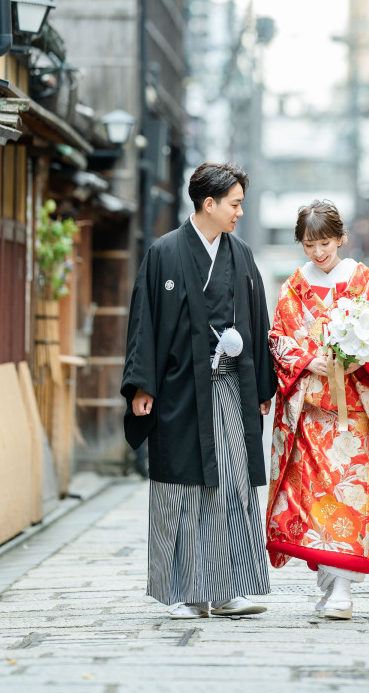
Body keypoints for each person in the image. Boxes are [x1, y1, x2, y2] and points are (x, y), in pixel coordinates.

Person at [121, 161, 276, 619]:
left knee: (232, 483)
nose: (240, 212)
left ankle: (229, 590)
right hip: (179, 390)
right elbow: (144, 321)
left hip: (229, 387)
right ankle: (186, 593)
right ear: (209, 204)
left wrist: (262, 386)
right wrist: (142, 384)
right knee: (184, 486)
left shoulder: (241, 254)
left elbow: (258, 320)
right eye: (235, 204)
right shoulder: (165, 252)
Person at [266, 200, 369, 620]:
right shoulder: (293, 286)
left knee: (351, 495)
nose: (318, 252)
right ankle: (329, 583)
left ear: (341, 238)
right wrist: (309, 361)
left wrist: (360, 355)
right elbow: (278, 338)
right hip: (311, 414)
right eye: (310, 245)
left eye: (325, 243)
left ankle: (342, 588)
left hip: (355, 414)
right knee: (313, 500)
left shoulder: (364, 280)